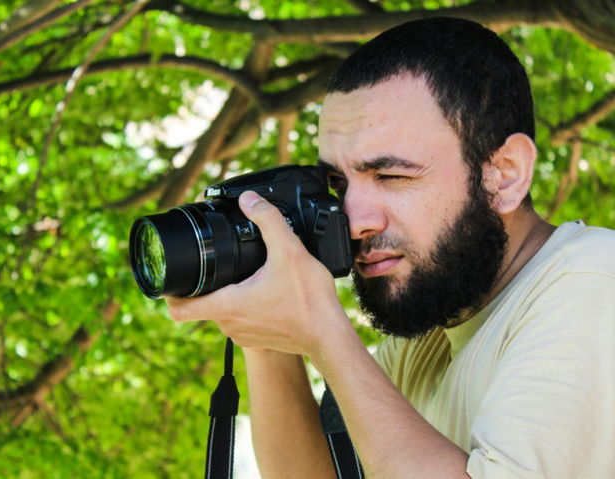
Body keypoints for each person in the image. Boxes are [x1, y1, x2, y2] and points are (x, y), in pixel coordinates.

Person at [166, 17, 615, 478]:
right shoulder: (424, 346)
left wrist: (325, 331)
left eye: (392, 176)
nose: (355, 220)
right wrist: (266, 338)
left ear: (505, 174)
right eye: (338, 182)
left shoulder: (595, 282)